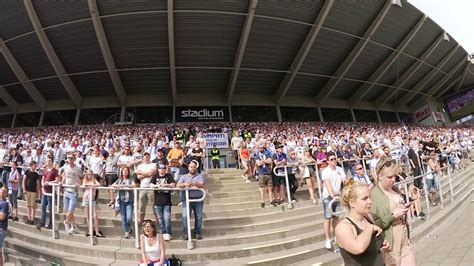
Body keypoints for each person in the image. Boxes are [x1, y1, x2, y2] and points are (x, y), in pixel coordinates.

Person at [371, 157, 416, 266]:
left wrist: (404, 207)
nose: (393, 179)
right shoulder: (373, 195)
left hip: (404, 238)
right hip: (390, 243)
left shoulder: (394, 189)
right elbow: (374, 224)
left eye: (394, 176)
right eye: (389, 177)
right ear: (380, 176)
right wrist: (393, 216)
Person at [335, 180, 389, 266]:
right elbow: (358, 248)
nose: (370, 201)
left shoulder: (368, 217)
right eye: (364, 198)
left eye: (369, 197)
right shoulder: (343, 227)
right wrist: (370, 228)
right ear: (351, 203)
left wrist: (382, 245)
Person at [321, 152, 346, 250]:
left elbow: (344, 180)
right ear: (327, 161)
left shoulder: (340, 169)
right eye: (331, 159)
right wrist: (333, 195)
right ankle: (327, 239)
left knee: (336, 218)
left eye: (335, 159)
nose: (334, 161)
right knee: (328, 218)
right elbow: (327, 184)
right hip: (328, 197)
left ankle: (337, 236)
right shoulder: (325, 171)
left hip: (338, 196)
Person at [177, 160, 205, 240]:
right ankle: (186, 233)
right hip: (186, 199)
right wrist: (184, 184)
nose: (192, 168)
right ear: (188, 168)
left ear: (196, 168)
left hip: (198, 200)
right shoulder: (183, 177)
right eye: (191, 167)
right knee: (185, 217)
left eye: (194, 167)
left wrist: (194, 183)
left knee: (199, 217)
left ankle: (197, 233)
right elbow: (178, 185)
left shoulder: (200, 176)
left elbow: (202, 184)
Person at [150, 163, 175, 241]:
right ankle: (163, 232)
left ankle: (168, 232)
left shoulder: (169, 176)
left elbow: (173, 185)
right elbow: (151, 185)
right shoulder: (155, 176)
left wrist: (166, 185)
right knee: (160, 219)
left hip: (167, 201)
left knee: (167, 218)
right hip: (157, 201)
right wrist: (157, 186)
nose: (162, 169)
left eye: (164, 168)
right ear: (158, 169)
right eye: (160, 168)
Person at [60, 154, 83, 235]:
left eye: (71, 158)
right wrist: (61, 184)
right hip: (66, 190)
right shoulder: (65, 167)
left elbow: (81, 178)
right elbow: (64, 177)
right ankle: (73, 227)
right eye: (68, 157)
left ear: (74, 159)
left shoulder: (78, 169)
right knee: (68, 210)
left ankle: (66, 222)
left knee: (70, 210)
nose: (70, 159)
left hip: (73, 191)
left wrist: (78, 183)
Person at [112, 166, 135, 238]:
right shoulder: (119, 179)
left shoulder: (131, 179)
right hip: (121, 200)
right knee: (123, 217)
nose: (125, 172)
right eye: (124, 170)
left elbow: (134, 185)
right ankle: (126, 231)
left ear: (128, 172)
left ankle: (128, 227)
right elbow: (113, 185)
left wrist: (127, 186)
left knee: (129, 217)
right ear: (121, 172)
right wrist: (119, 185)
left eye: (126, 170)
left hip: (129, 200)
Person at [82, 169, 104, 237]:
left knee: (95, 216)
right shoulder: (85, 180)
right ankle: (90, 230)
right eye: (88, 174)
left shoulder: (94, 180)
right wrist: (89, 185)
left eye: (90, 174)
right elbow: (83, 185)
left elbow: (99, 184)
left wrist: (91, 185)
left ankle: (97, 231)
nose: (89, 176)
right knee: (88, 216)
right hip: (86, 198)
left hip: (92, 199)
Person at [136, 152, 157, 224]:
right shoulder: (140, 166)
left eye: (147, 157)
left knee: (154, 206)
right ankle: (141, 222)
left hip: (151, 188)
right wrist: (147, 174)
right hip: (142, 188)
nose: (146, 159)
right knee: (141, 206)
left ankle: (157, 221)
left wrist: (142, 173)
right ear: (143, 158)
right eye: (145, 157)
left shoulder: (153, 165)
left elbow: (152, 173)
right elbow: (139, 177)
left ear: (149, 157)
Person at [37, 157, 58, 229]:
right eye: (47, 161)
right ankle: (42, 222)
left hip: (50, 191)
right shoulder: (45, 170)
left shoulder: (55, 171)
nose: (48, 162)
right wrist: (43, 184)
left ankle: (50, 223)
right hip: (44, 191)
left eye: (49, 161)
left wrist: (49, 183)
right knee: (43, 207)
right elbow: (43, 178)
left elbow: (57, 180)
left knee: (50, 208)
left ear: (52, 162)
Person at [255, 143, 274, 208]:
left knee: (270, 188)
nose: (261, 148)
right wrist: (266, 161)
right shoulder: (257, 154)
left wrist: (263, 161)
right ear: (258, 148)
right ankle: (263, 202)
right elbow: (258, 164)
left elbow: (270, 161)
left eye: (262, 147)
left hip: (268, 172)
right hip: (261, 173)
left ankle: (271, 201)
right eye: (260, 147)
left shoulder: (267, 153)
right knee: (262, 189)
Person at [0, 185, 10, 265]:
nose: (2, 192)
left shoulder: (5, 204)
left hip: (1, 229)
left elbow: (2, 217)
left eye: (4, 191)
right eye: (2, 190)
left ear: (6, 194)